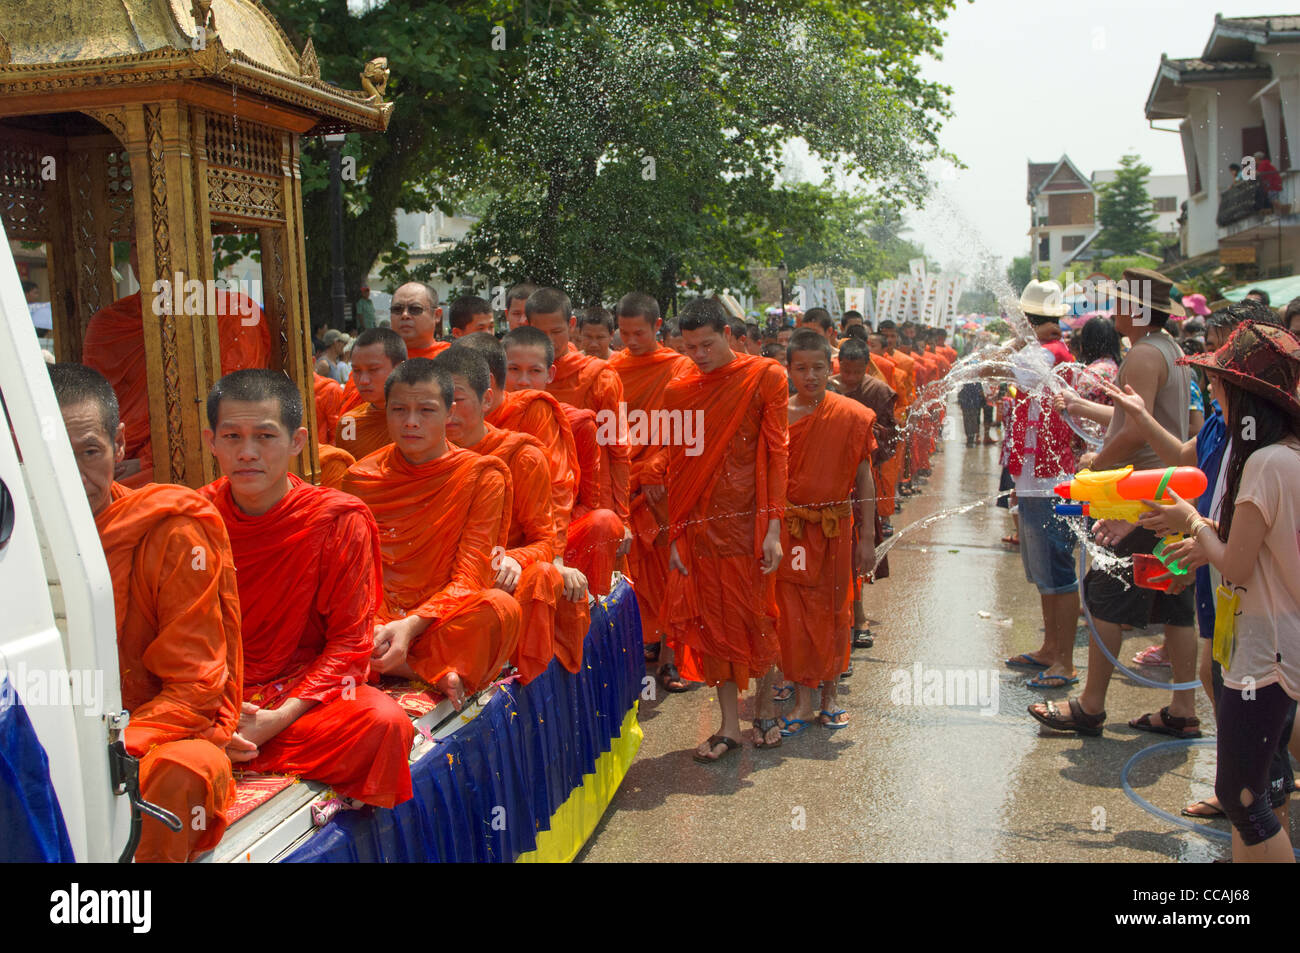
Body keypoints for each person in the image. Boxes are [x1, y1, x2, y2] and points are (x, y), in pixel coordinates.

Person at [50, 364, 242, 862]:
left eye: (88, 452)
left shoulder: (167, 530)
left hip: (151, 734)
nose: (72, 476)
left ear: (118, 443)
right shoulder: (17, 542)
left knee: (183, 771)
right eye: (51, 456)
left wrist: (107, 749)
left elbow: (195, 687)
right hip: (41, 723)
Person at [200, 370, 413, 808]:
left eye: (265, 436)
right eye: (232, 437)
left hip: (301, 692)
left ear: (297, 441)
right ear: (211, 441)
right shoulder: (193, 518)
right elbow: (174, 640)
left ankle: (232, 749)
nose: (247, 453)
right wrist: (217, 709)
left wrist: (277, 718)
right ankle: (222, 743)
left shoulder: (336, 519)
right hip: (215, 695)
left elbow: (351, 644)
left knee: (384, 724)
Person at [1132, 320, 1300, 862]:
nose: (1214, 397)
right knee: (1256, 791)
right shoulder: (1289, 456)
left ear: (1243, 397)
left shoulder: (1264, 465)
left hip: (1264, 647)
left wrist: (1192, 521)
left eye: (1220, 387)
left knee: (1241, 795)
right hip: (1278, 637)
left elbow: (1239, 564)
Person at [1028, 268, 1198, 737]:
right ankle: (1183, 709)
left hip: (1138, 494)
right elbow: (1138, 414)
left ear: (1139, 309)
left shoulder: (1142, 353)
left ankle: (1090, 705)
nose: (1113, 311)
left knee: (1104, 598)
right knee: (1174, 602)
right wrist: (1083, 407)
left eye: (1121, 302)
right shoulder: (1169, 348)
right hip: (1169, 491)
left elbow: (1131, 430)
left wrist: (1097, 464)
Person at [342, 359, 522, 710]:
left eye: (426, 410)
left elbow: (470, 577)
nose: (411, 422)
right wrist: (381, 624)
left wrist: (410, 626)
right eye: (399, 410)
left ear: (449, 412)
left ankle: (393, 662)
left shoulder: (481, 476)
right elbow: (355, 571)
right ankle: (421, 667)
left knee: (500, 609)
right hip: (375, 617)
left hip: (441, 618)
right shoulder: (360, 478)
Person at [662, 298, 788, 760]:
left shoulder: (764, 376)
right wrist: (676, 535)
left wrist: (774, 526)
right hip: (704, 529)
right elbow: (678, 469)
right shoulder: (681, 392)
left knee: (761, 615)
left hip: (753, 524)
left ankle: (766, 713)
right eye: (690, 346)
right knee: (715, 622)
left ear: (729, 335)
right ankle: (729, 726)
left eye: (707, 344)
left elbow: (778, 452)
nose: (699, 354)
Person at [436, 347, 585, 681]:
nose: (447, 412)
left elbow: (545, 541)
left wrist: (514, 559)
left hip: (496, 579)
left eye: (457, 399)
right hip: (440, 586)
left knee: (541, 575)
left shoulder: (522, 456)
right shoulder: (421, 457)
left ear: (487, 399)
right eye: (438, 401)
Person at [81, 263, 271, 487]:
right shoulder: (109, 323)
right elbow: (96, 409)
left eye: (162, 237)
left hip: (206, 455)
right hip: (119, 458)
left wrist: (148, 461)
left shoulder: (233, 311)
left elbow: (236, 408)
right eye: (133, 243)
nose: (142, 250)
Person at [775, 331, 877, 734]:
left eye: (818, 367)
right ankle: (802, 699)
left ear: (829, 366)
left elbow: (864, 478)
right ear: (789, 369)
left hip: (836, 525)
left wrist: (868, 538)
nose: (811, 375)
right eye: (801, 368)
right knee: (794, 613)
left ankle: (830, 696)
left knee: (837, 610)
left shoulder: (850, 414)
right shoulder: (779, 415)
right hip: (793, 528)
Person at [608, 292, 696, 691]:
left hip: (664, 486)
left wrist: (656, 468)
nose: (631, 340)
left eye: (639, 332)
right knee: (635, 574)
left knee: (671, 572)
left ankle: (672, 659)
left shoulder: (679, 367)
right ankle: (646, 643)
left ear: (658, 327)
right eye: (624, 333)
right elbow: (607, 428)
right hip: (625, 484)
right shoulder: (612, 369)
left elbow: (688, 428)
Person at [997, 285, 1081, 690]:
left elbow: (1002, 367)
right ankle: (1051, 649)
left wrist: (1014, 342)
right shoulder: (1038, 352)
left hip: (1052, 484)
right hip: (1033, 481)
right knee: (1044, 574)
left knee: (1059, 573)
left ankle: (1064, 660)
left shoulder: (1050, 355)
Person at [505, 323, 626, 597]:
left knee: (603, 522)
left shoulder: (578, 423)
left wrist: (550, 546)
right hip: (499, 538)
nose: (523, 381)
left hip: (555, 537)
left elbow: (586, 501)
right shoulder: (482, 419)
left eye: (534, 371)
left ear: (550, 374)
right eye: (514, 370)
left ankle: (588, 608)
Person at [830, 337, 898, 645]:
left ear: (866, 367)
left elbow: (890, 444)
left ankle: (858, 618)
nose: (851, 379)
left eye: (857, 372)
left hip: (859, 483)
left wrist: (868, 440)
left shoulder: (879, 392)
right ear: (839, 365)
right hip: (825, 486)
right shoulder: (825, 388)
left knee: (856, 553)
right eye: (846, 371)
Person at [334, 327, 407, 462]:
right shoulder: (349, 423)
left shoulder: (424, 418)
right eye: (356, 370)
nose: (363, 381)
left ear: (399, 369)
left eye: (373, 370)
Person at [388, 282, 448, 360]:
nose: (405, 315)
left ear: (436, 315)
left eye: (415, 309)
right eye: (397, 309)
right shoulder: (375, 356)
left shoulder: (454, 356)